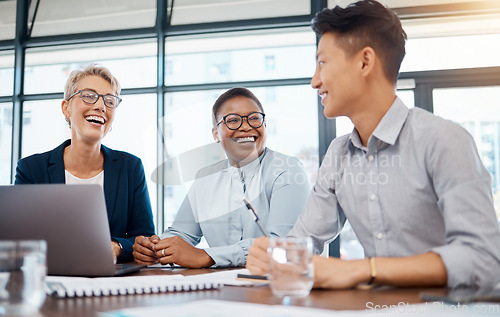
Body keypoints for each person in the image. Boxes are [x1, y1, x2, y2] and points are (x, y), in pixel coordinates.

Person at [246, 0, 500, 290]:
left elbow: (484, 259)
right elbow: (304, 240)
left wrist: (363, 270)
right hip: (376, 308)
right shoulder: (338, 154)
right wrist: (275, 255)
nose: (315, 81)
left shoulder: (443, 140)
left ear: (365, 61)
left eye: (322, 63)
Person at [132, 87, 311, 268]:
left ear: (265, 125)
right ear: (216, 134)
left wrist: (206, 256)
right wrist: (155, 247)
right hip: (219, 286)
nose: (246, 126)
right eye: (232, 120)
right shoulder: (205, 178)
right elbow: (182, 233)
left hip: (276, 284)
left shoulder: (288, 170)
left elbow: (281, 244)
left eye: (255, 118)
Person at [15, 64, 155, 264]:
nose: (101, 106)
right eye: (89, 96)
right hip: (50, 278)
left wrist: (117, 247)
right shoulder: (31, 169)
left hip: (114, 282)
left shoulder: (130, 167)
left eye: (109, 100)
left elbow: (145, 238)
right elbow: (20, 239)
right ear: (66, 108)